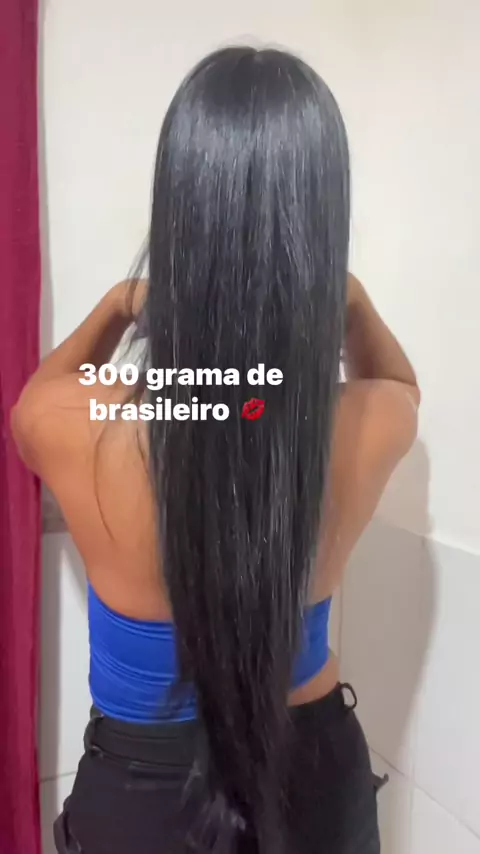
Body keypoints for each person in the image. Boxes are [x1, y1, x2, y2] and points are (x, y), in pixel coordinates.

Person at [11, 46, 420, 854]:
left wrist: (119, 305)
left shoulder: (76, 424)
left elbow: (33, 397)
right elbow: (398, 384)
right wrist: (346, 299)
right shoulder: (367, 423)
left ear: (178, 212)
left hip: (142, 795)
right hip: (312, 782)